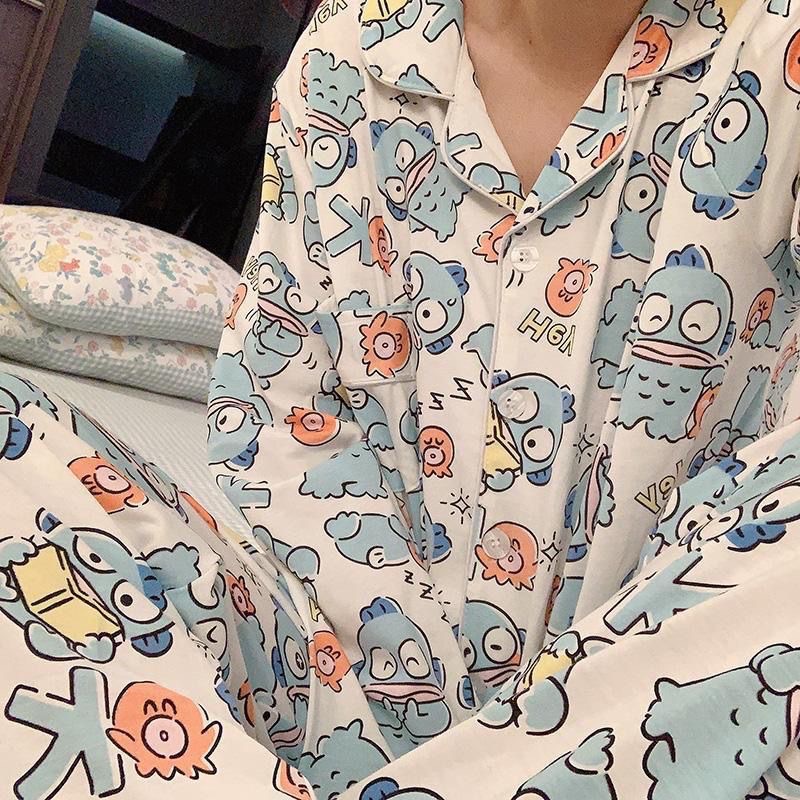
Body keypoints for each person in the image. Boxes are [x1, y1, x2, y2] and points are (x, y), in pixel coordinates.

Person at [204, 0, 800, 795]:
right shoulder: (350, 48)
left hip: (671, 739)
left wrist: (560, 737)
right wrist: (440, 731)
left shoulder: (778, 59)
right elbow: (275, 413)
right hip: (350, 704)